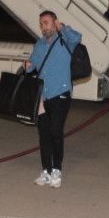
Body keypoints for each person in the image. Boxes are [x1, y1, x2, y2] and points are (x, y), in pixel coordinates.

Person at [26, 10, 82, 188]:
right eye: (41, 24)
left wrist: (62, 28)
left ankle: (57, 169)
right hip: (43, 96)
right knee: (44, 134)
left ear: (55, 22)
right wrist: (27, 66)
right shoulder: (40, 44)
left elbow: (77, 37)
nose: (44, 27)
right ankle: (46, 170)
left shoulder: (65, 40)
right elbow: (32, 65)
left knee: (56, 131)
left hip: (61, 93)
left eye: (47, 23)